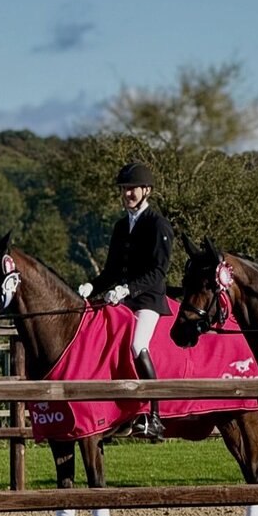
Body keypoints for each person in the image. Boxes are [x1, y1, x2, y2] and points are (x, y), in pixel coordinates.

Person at [78, 161, 173, 441]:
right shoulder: (121, 226)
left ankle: (154, 417)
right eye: (124, 189)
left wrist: (127, 289)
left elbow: (158, 271)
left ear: (146, 190)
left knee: (136, 344)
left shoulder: (158, 225)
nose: (128, 194)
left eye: (132, 189)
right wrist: (91, 286)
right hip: (124, 299)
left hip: (148, 299)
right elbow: (110, 270)